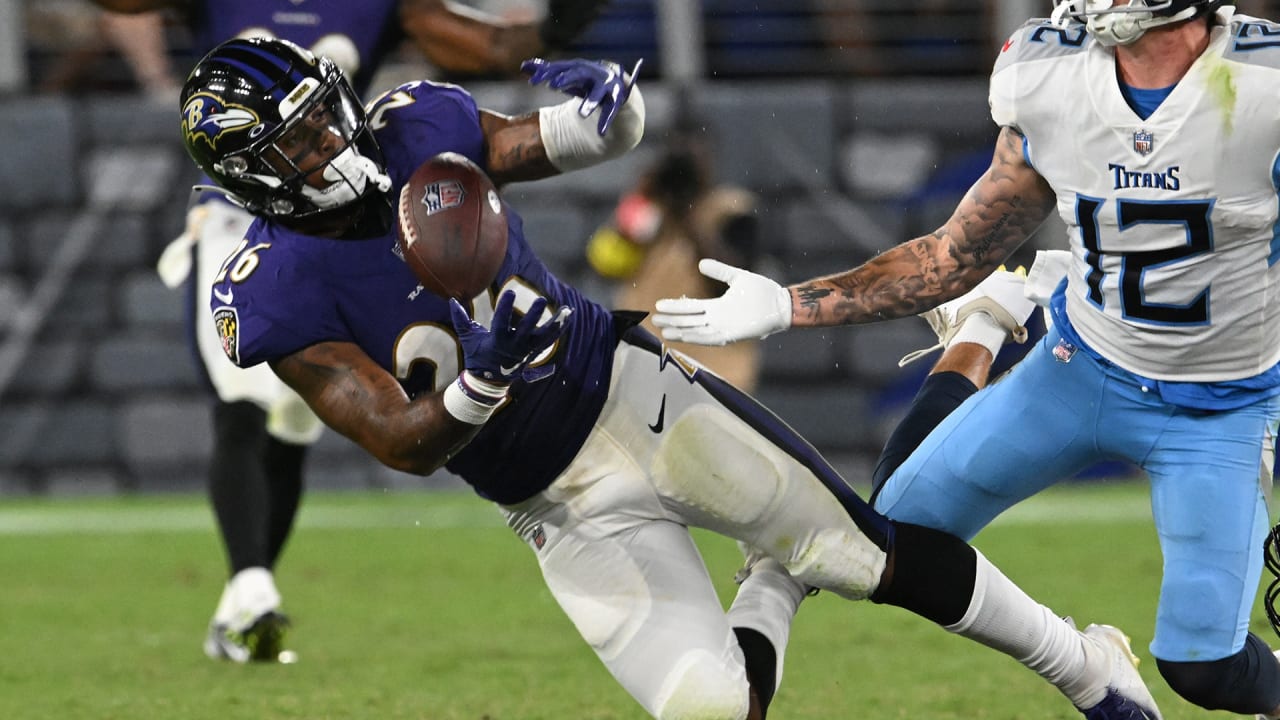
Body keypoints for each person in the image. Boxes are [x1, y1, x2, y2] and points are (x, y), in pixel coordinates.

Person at [180, 36, 1166, 719]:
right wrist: (482, 380)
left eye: (322, 116)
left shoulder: (411, 126)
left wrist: (614, 108)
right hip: (550, 502)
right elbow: (393, 437)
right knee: (711, 707)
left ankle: (1090, 674)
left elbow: (557, 140)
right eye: (298, 142)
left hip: (626, 391)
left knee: (867, 556)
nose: (331, 142)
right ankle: (773, 575)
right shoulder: (274, 292)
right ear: (254, 175)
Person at [651, 1, 1280, 716]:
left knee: (1205, 670)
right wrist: (789, 305)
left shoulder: (1264, 86)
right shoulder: (1051, 76)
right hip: (1081, 369)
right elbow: (954, 254)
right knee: (890, 540)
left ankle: (984, 326)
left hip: (1217, 408)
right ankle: (985, 326)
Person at [90, 0, 612, 663]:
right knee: (247, 401)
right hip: (249, 223)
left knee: (295, 418)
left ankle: (242, 594)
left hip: (362, 214)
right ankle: (250, 589)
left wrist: (562, 31)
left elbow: (485, 47)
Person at [586, 135, 765, 391]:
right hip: (650, 367)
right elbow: (605, 263)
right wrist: (641, 196)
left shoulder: (731, 209)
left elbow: (732, 284)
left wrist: (688, 218)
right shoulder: (650, 213)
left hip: (715, 373)